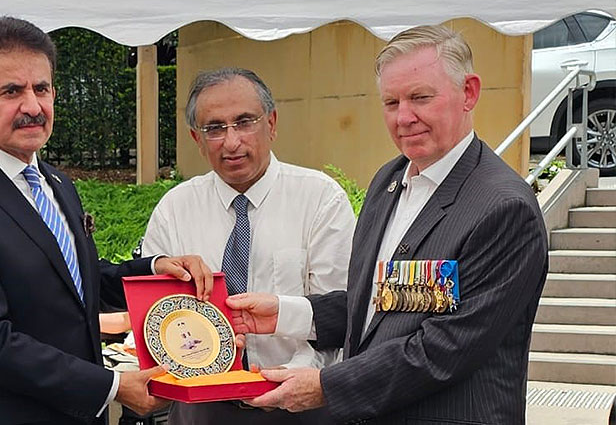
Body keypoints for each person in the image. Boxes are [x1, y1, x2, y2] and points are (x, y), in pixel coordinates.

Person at [227, 25, 548, 424]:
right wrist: (286, 315)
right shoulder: (388, 181)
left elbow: (445, 347)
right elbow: (385, 305)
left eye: (420, 98)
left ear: (469, 93)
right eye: (391, 102)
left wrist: (326, 387)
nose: (404, 117)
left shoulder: (503, 207)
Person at [0, 16, 212, 425]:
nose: (32, 107)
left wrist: (157, 269)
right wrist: (111, 387)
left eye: (42, 89)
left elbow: (76, 284)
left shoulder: (56, 183)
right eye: (11, 91)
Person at [141, 67, 356, 424]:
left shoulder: (320, 199)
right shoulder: (174, 209)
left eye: (244, 122)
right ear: (197, 138)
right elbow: (155, 315)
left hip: (300, 404)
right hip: (199, 410)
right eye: (215, 128)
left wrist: (288, 379)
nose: (231, 141)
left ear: (271, 123)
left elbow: (339, 312)